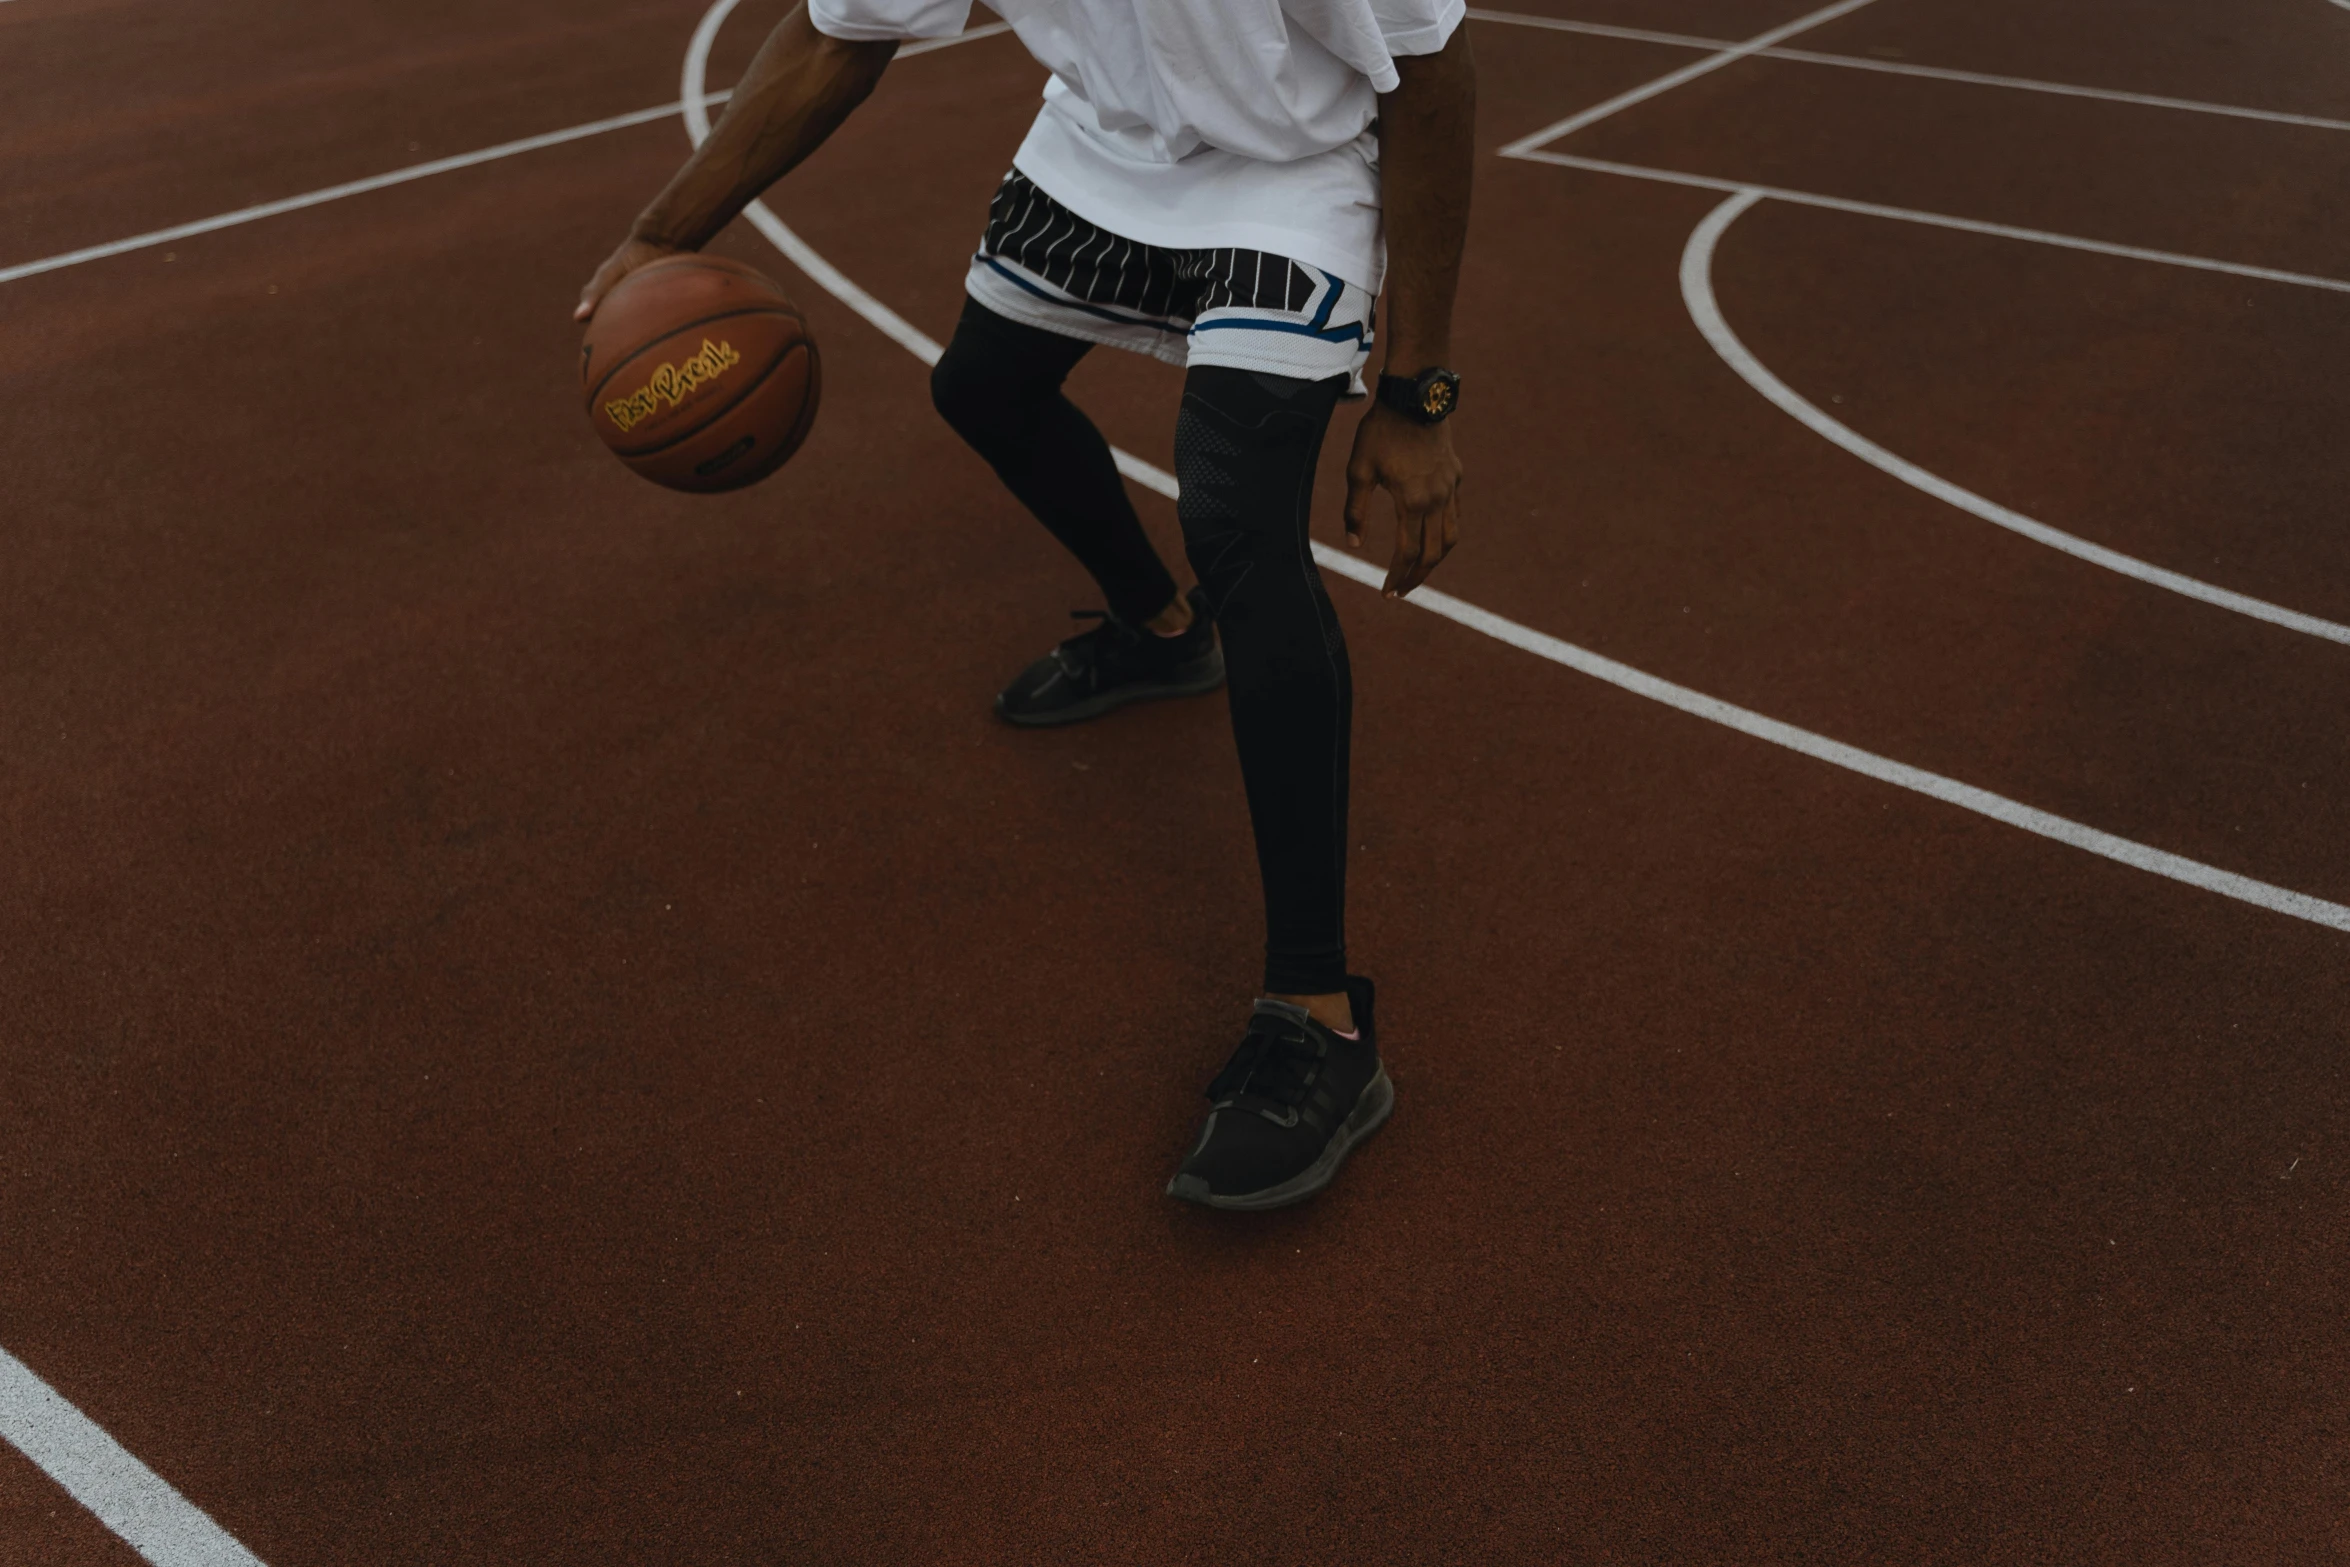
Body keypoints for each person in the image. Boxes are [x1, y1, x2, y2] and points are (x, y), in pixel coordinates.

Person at [578, 0, 1474, 1210]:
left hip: (1290, 171)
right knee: (982, 389)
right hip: (1105, 154)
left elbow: (1430, 74)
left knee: (1239, 526)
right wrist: (656, 235)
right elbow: (840, 31)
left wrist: (1416, 398)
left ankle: (1318, 1017)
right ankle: (1161, 629)